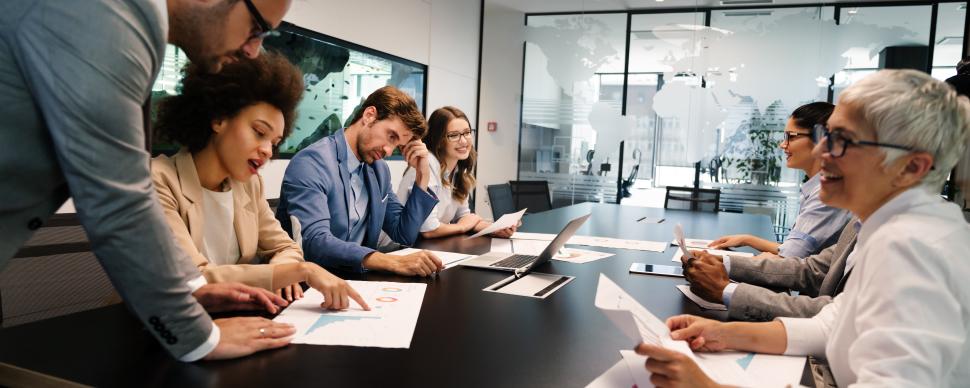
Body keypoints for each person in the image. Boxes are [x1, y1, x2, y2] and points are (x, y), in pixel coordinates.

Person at [0, 0, 301, 361]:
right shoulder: (110, 13)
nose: (253, 51)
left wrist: (193, 289)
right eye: (256, 28)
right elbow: (120, 204)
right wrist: (199, 337)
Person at [636, 69, 970, 387]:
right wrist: (723, 332)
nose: (821, 151)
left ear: (911, 167)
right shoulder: (886, 227)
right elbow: (833, 323)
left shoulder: (914, 250)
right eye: (825, 136)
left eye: (842, 141)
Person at [151, 52, 369, 310]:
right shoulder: (158, 181)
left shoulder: (248, 185)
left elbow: (285, 247)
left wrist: (283, 267)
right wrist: (296, 272)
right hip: (163, 325)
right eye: (259, 132)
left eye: (274, 143)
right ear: (219, 118)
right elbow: (195, 279)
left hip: (228, 316)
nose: (267, 151)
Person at [276, 86, 444, 277]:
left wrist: (422, 177)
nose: (389, 151)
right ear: (369, 115)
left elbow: (402, 233)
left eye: (397, 146)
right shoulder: (311, 163)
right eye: (391, 136)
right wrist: (389, 261)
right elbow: (315, 242)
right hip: (311, 284)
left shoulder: (379, 170)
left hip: (358, 281)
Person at [709, 102, 852, 258]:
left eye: (790, 137)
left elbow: (788, 260)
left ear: (821, 139)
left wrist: (723, 260)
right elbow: (792, 249)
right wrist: (747, 239)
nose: (783, 144)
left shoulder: (824, 195)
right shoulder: (817, 188)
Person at [682, 218, 857, 321]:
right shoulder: (857, 225)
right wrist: (725, 263)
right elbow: (810, 269)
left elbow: (835, 315)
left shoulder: (883, 244)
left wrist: (726, 291)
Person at [396, 106, 517, 239]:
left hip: (421, 246)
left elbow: (463, 216)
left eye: (467, 132)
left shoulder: (457, 169)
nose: (464, 141)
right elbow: (428, 229)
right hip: (396, 248)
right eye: (454, 135)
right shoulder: (426, 164)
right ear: (439, 140)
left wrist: (495, 228)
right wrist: (462, 227)